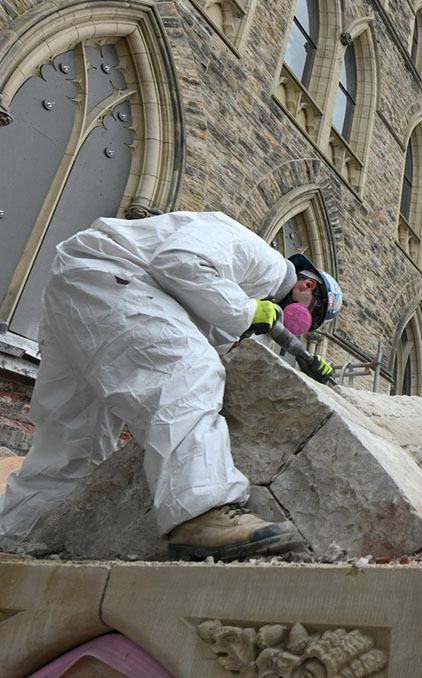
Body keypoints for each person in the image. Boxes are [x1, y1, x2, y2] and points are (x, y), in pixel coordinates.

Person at [0, 211, 342, 560]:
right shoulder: (265, 262)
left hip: (84, 283)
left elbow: (195, 329)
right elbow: (179, 262)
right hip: (113, 274)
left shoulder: (253, 293)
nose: (300, 327)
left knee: (72, 441)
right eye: (310, 315)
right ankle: (202, 512)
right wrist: (245, 310)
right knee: (190, 371)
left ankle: (14, 536)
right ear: (307, 285)